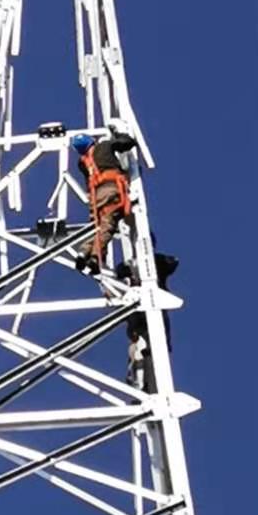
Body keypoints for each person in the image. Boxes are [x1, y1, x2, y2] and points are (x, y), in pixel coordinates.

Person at [72, 130, 136, 274]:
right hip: (111, 189)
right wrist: (118, 134)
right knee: (108, 223)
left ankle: (83, 252)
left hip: (96, 197)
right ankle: (95, 257)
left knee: (96, 226)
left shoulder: (82, 163)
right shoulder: (104, 146)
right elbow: (128, 143)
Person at [120, 246, 179, 386]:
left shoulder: (156, 261)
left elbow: (173, 262)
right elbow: (119, 273)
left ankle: (141, 379)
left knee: (150, 339)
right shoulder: (133, 265)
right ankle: (139, 379)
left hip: (149, 305)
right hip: (139, 308)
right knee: (142, 340)